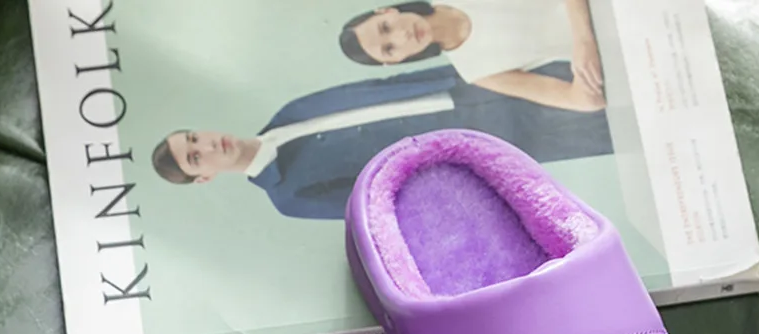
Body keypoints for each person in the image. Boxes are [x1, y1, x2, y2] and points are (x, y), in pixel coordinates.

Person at [150, 65, 611, 219]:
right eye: (195, 157)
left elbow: (384, 86)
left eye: (195, 137)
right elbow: (386, 202)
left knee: (603, 70)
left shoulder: (288, 112)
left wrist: (470, 71)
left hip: (478, 89)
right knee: (607, 121)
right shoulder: (289, 195)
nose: (206, 145)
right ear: (204, 177)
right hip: (481, 142)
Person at [339, 0, 605, 111]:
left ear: (386, 11)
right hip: (615, 43)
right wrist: (586, 77)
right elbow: (581, 101)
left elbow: (583, 42)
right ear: (395, 61)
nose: (402, 36)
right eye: (390, 48)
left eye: (386, 28)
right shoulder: (475, 70)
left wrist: (583, 39)